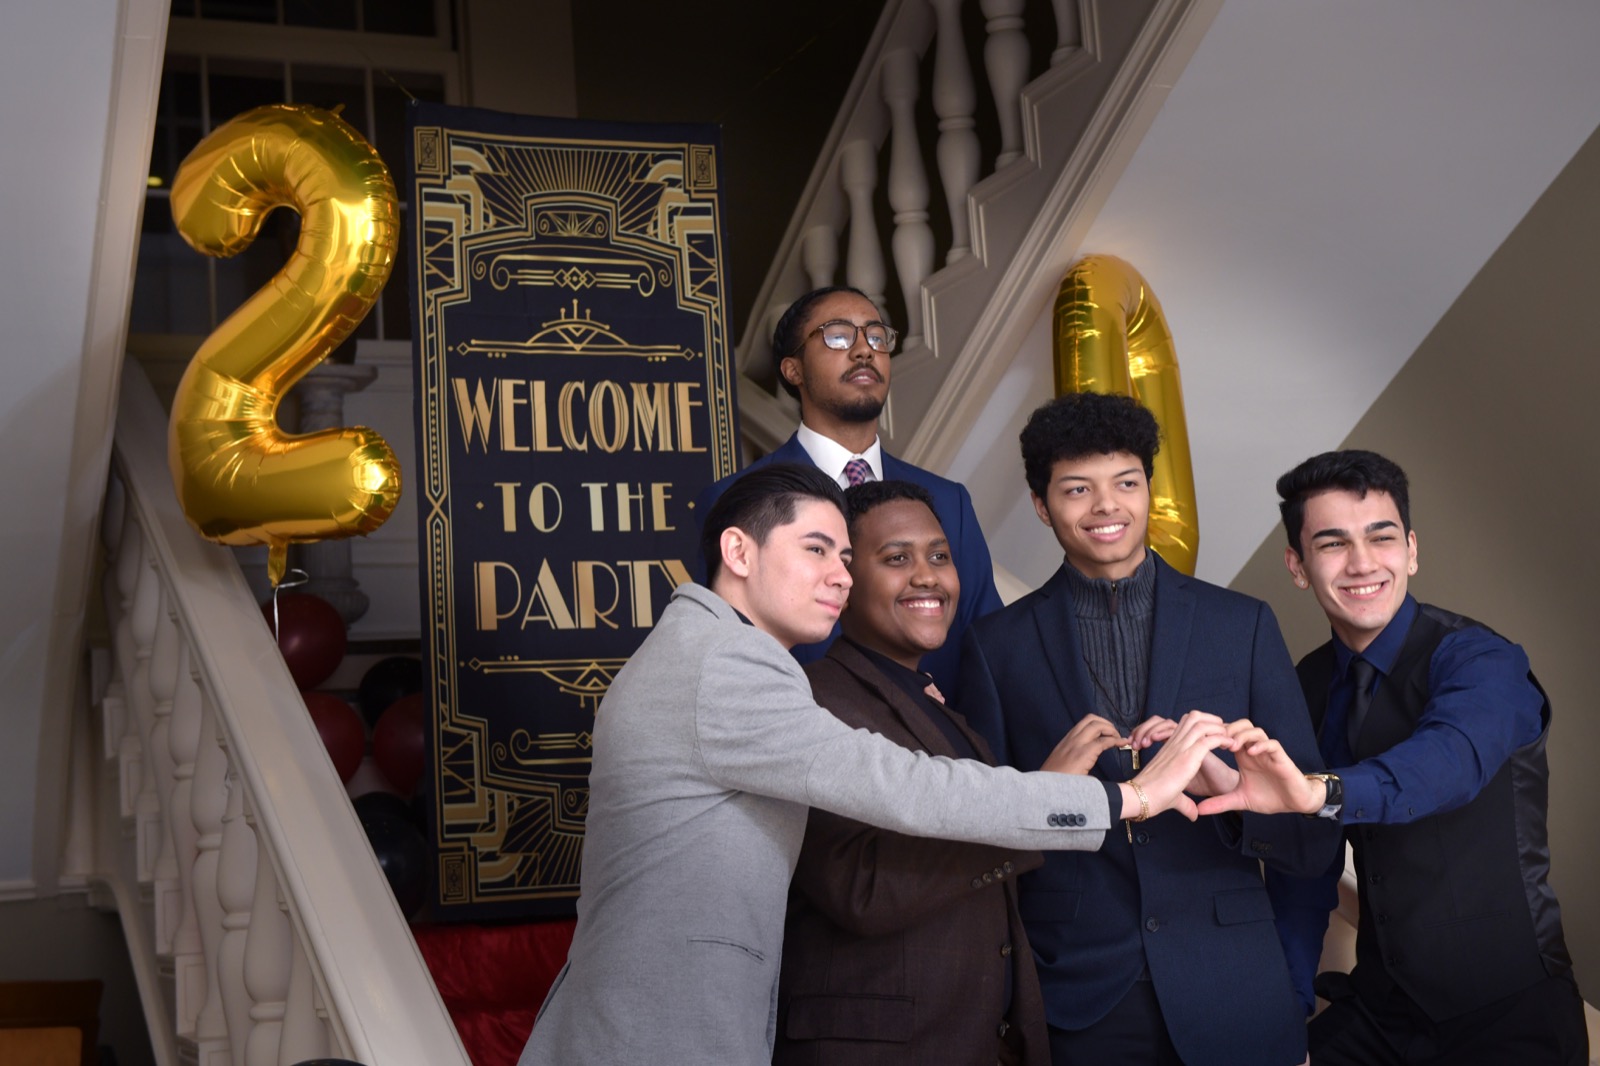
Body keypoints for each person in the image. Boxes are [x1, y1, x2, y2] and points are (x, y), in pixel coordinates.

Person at [518, 463, 1238, 1066]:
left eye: (843, 556)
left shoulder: (707, 652)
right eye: (816, 550)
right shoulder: (724, 663)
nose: (840, 575)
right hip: (659, 1033)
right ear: (739, 553)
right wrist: (1129, 799)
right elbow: (902, 786)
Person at [956, 393, 1340, 1066]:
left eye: (1125, 483)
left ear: (1149, 491)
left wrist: (1240, 795)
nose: (1107, 506)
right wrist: (1047, 791)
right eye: (1078, 489)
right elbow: (982, 854)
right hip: (1078, 991)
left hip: (1235, 983)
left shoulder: (1242, 626)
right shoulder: (994, 648)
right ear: (1043, 506)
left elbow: (1313, 844)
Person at [1231, 449, 1586, 1065]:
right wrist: (1284, 1022)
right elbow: (1302, 877)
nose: (1362, 562)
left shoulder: (1482, 661)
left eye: (1381, 537)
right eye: (1333, 543)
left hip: (1509, 1016)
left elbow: (1445, 763)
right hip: (1380, 1017)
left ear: (1412, 550)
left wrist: (1322, 793)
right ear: (1298, 565)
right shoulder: (1306, 687)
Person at [776, 480, 1049, 1066]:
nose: (927, 576)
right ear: (844, 582)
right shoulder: (811, 703)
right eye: (897, 558)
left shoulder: (944, 711)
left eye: (940, 556)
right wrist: (1038, 809)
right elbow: (861, 889)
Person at [695, 286, 1002, 695]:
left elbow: (989, 652)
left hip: (938, 747)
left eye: (876, 336)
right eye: (838, 335)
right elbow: (725, 658)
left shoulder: (950, 501)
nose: (864, 350)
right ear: (793, 370)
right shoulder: (737, 502)